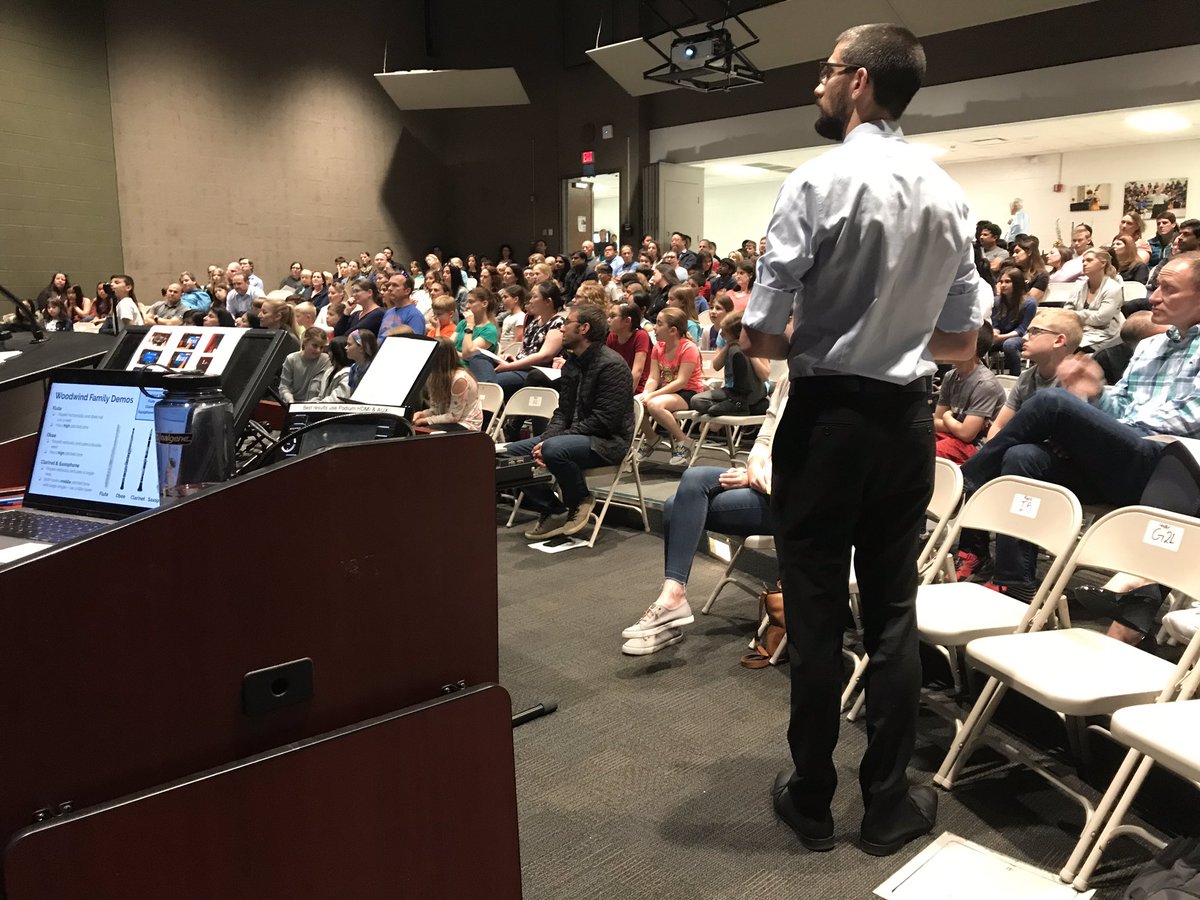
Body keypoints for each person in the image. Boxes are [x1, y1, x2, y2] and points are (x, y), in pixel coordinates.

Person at [740, 23, 985, 857]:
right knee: (891, 615)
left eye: (827, 70)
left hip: (827, 421)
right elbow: (964, 342)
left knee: (813, 614)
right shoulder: (950, 194)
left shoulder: (818, 179)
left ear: (860, 83)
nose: (818, 83)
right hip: (906, 424)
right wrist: (898, 332)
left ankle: (811, 799)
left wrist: (820, 333)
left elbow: (761, 336)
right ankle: (886, 806)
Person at [958, 252, 1200, 603]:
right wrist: (1096, 395)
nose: (1153, 296)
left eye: (1168, 288)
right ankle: (1016, 581)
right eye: (1157, 285)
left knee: (1051, 403)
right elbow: (1120, 407)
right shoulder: (1148, 346)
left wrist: (1108, 423)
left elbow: (1191, 417)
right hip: (1122, 461)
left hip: (1169, 467)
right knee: (1023, 456)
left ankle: (970, 479)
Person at [621, 379, 787, 653]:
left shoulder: (828, 382)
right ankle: (672, 598)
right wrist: (755, 464)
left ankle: (671, 610)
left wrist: (754, 476)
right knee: (692, 480)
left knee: (678, 505)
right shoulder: (787, 380)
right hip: (762, 480)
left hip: (789, 497)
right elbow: (766, 437)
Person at [952, 308, 1083, 582]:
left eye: (1035, 331)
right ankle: (973, 552)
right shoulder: (1028, 377)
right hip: (1023, 455)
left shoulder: (1077, 377)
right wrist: (995, 449)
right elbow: (998, 427)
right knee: (1002, 456)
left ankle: (1013, 578)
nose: (1025, 336)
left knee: (1015, 456)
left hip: (1067, 467)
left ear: (1059, 340)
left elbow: (1066, 443)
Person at [504, 304, 633, 540]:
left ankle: (580, 498)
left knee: (554, 449)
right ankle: (553, 509)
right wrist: (551, 437)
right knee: (508, 454)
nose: (562, 329)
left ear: (584, 328)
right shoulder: (572, 363)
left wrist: (555, 441)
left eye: (567, 323)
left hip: (606, 442)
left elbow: (604, 421)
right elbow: (562, 412)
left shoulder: (611, 366)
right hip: (573, 436)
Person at [638, 307, 704, 466]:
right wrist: (646, 392)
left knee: (654, 404)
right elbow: (654, 377)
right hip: (668, 392)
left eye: (659, 324)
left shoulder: (688, 348)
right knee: (633, 402)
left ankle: (684, 440)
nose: (654, 327)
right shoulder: (658, 347)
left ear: (673, 330)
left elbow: (681, 382)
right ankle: (652, 437)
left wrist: (652, 396)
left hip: (689, 392)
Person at [933, 324, 1005, 462]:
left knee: (928, 453)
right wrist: (956, 426)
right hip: (954, 436)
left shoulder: (984, 384)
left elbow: (967, 435)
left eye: (953, 340)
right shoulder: (950, 376)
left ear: (971, 347)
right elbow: (936, 422)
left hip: (977, 446)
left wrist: (948, 418)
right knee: (913, 441)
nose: (945, 344)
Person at [689, 311, 768, 416]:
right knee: (697, 401)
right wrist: (728, 345)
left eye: (725, 332)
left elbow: (764, 376)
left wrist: (747, 349)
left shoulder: (756, 343)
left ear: (738, 334)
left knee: (736, 350)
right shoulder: (729, 344)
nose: (721, 334)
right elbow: (716, 366)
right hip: (730, 392)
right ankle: (732, 407)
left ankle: (740, 405)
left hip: (753, 390)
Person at [413, 337, 483, 432]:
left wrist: (426, 420)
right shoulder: (434, 376)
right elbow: (436, 410)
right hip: (446, 422)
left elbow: (454, 417)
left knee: (424, 433)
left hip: (466, 425)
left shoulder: (459, 379)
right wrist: (422, 414)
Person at [1072, 247, 1125, 350]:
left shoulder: (1113, 287)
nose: (1084, 264)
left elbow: (1101, 318)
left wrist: (1076, 315)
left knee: (1070, 349)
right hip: (1078, 330)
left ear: (1103, 263)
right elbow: (1068, 309)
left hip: (1104, 335)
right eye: (1083, 261)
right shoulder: (1079, 285)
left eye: (1089, 260)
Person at [990, 266, 1037, 375]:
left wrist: (1000, 337)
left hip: (1021, 337)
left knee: (1009, 345)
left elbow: (1023, 329)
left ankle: (1015, 376)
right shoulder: (997, 301)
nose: (1003, 285)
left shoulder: (1029, 303)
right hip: (1000, 336)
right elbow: (995, 322)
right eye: (1001, 282)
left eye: (1007, 282)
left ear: (1017, 283)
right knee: (980, 341)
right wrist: (995, 333)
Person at [606, 301, 651, 394]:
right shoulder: (612, 336)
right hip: (618, 383)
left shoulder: (641, 336)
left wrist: (626, 396)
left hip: (638, 385)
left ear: (627, 321)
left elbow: (637, 371)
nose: (608, 320)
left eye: (613, 316)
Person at [279, 328, 333, 404]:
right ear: (305, 342)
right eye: (315, 346)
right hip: (294, 403)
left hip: (315, 405)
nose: (318, 350)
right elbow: (284, 387)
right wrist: (290, 400)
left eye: (321, 347)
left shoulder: (325, 360)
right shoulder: (291, 359)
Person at [378, 272, 426, 340]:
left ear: (407, 291)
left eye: (395, 285)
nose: (389, 288)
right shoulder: (389, 312)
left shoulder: (415, 315)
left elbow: (415, 344)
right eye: (389, 285)